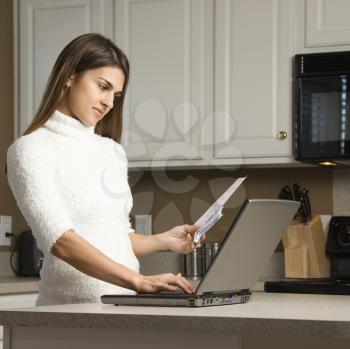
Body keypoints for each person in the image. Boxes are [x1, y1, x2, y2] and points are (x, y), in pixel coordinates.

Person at [5, 33, 201, 306]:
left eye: (116, 94)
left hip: (125, 305)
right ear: (70, 76)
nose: (109, 102)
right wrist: (138, 280)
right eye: (102, 86)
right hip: (69, 314)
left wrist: (162, 240)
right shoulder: (29, 150)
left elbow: (116, 235)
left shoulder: (112, 152)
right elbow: (60, 240)